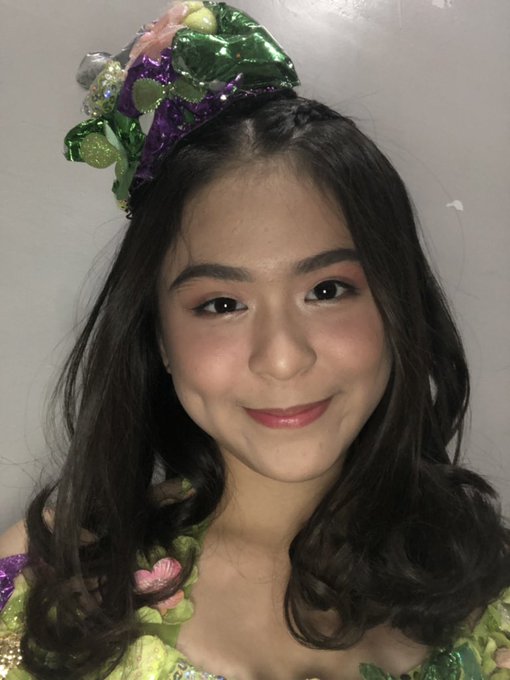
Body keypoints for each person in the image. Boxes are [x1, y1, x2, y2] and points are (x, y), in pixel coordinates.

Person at [1, 2, 509, 679]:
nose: (283, 357)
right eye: (221, 304)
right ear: (158, 337)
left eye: (327, 290)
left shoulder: (488, 591)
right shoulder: (50, 582)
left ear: (398, 306)